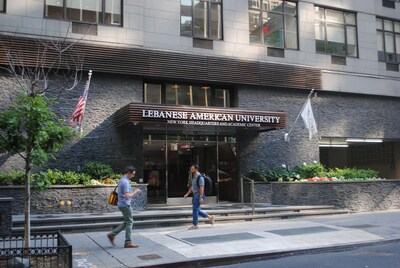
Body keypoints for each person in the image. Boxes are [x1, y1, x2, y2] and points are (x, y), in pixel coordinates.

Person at [107, 165, 142, 248]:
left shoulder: (122, 179)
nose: (133, 176)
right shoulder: (125, 182)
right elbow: (127, 196)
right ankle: (128, 242)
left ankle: (112, 234)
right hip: (125, 205)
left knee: (127, 221)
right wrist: (136, 192)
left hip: (122, 204)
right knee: (130, 222)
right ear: (128, 173)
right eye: (133, 174)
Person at [184, 164, 215, 230]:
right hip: (195, 195)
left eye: (192, 169)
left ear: (196, 169)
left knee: (195, 210)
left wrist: (200, 197)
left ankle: (195, 225)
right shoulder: (194, 177)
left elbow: (202, 187)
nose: (191, 170)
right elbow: (193, 187)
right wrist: (187, 194)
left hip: (198, 195)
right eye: (191, 169)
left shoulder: (200, 177)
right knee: (197, 210)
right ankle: (210, 217)